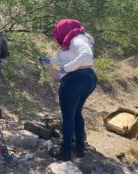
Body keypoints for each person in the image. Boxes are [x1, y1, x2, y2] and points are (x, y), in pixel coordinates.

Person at [39, 19, 97, 161]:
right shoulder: (74, 40)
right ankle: (79, 149)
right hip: (88, 78)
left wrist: (67, 68)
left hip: (74, 81)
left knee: (68, 117)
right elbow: (62, 58)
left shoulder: (77, 40)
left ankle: (65, 152)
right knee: (77, 114)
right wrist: (49, 61)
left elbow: (86, 55)